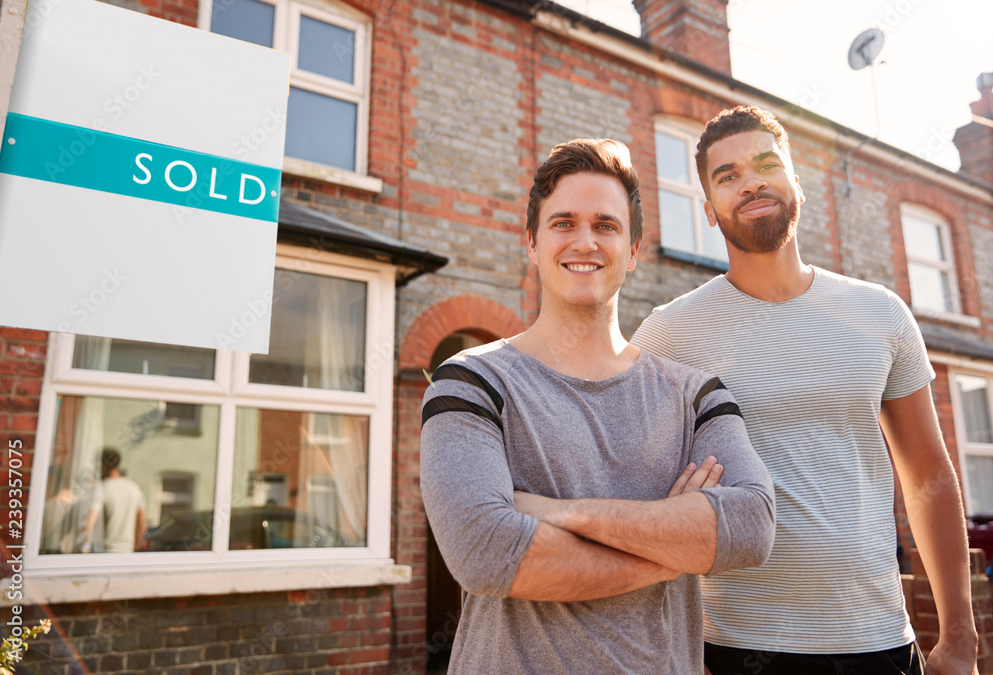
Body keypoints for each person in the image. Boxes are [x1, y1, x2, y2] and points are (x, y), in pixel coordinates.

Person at [631, 106, 979, 674]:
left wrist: (960, 637)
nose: (751, 181)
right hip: (736, 647)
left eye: (768, 164)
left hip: (879, 642)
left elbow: (928, 475)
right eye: (728, 176)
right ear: (710, 214)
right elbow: (628, 476)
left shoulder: (882, 314)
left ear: (798, 184)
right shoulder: (671, 333)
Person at [419, 138, 775, 674]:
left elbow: (750, 528)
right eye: (563, 223)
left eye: (606, 225)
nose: (584, 241)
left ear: (632, 251)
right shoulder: (472, 380)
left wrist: (556, 513)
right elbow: (486, 553)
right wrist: (676, 541)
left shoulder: (696, 394)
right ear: (532, 244)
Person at [82, 447, 147, 553]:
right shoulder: (134, 488)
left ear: (102, 466)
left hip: (104, 552)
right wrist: (137, 547)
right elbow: (142, 524)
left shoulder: (101, 489)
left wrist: (84, 547)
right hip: (127, 551)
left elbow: (89, 524)